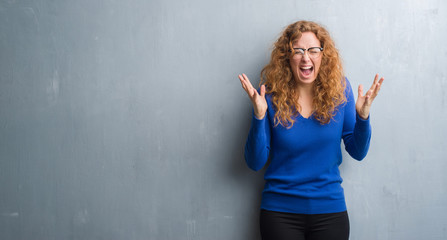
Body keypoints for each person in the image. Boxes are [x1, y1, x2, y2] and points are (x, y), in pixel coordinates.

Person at [238, 20, 384, 240]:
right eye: (298, 51)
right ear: (287, 56)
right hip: (279, 213)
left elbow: (358, 151)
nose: (306, 57)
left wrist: (363, 117)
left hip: (330, 212)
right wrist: (259, 115)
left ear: (323, 55)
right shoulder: (270, 96)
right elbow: (255, 162)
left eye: (313, 50)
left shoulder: (340, 90)